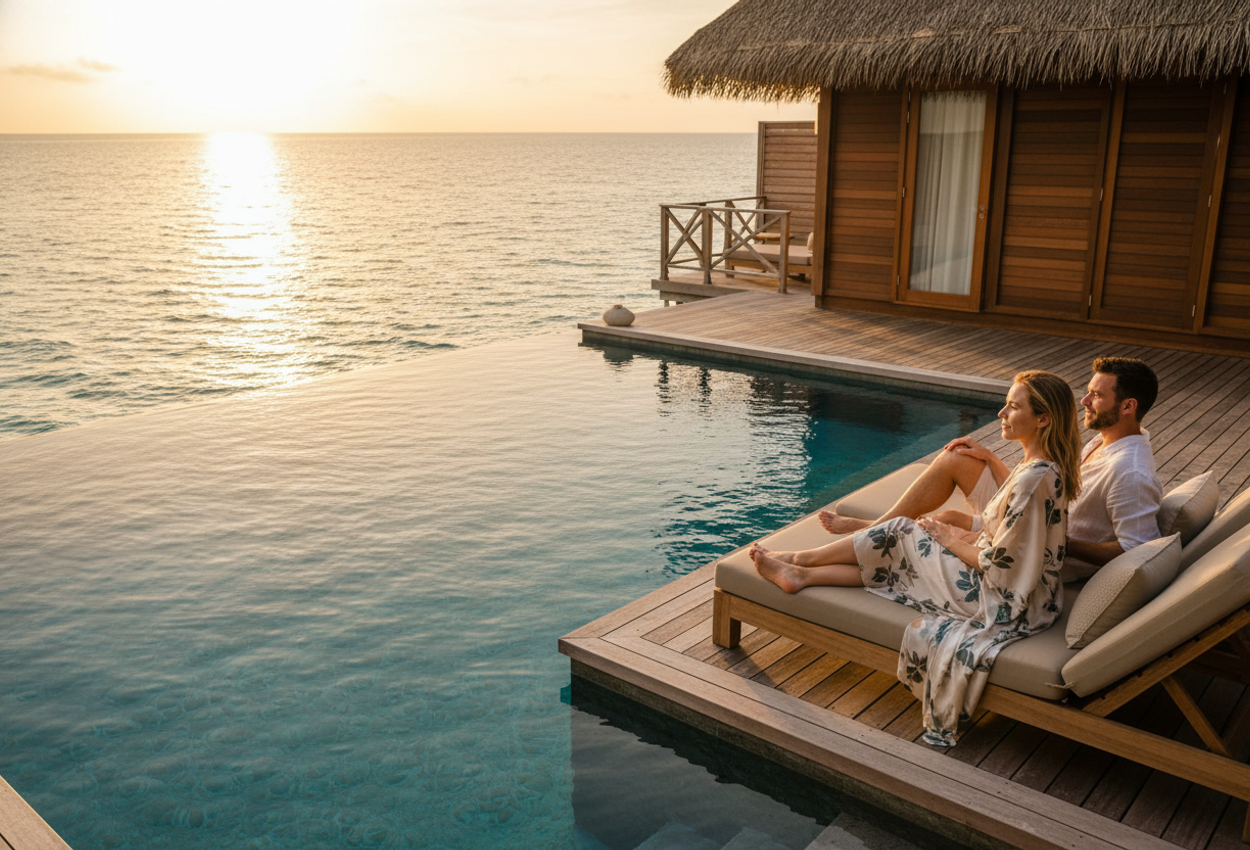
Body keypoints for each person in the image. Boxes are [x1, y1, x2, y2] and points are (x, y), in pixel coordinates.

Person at [750, 371, 1082, 747]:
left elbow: (1000, 565)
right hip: (1033, 597)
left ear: (1043, 419)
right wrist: (961, 522)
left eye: (1013, 406)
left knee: (902, 533)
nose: (1002, 411)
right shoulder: (1040, 467)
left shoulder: (1032, 479)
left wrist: (947, 538)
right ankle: (801, 575)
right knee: (900, 553)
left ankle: (800, 558)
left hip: (1002, 601)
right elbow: (1014, 534)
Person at [817, 356, 1160, 580]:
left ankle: (868, 533)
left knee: (932, 529)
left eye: (1096, 396)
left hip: (1042, 550)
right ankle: (874, 527)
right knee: (959, 461)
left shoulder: (1131, 472)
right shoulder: (1104, 441)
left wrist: (1056, 540)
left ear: (1128, 406)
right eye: (1087, 392)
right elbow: (1039, 486)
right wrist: (993, 460)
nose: (1084, 401)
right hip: (1033, 524)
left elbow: (1136, 551)